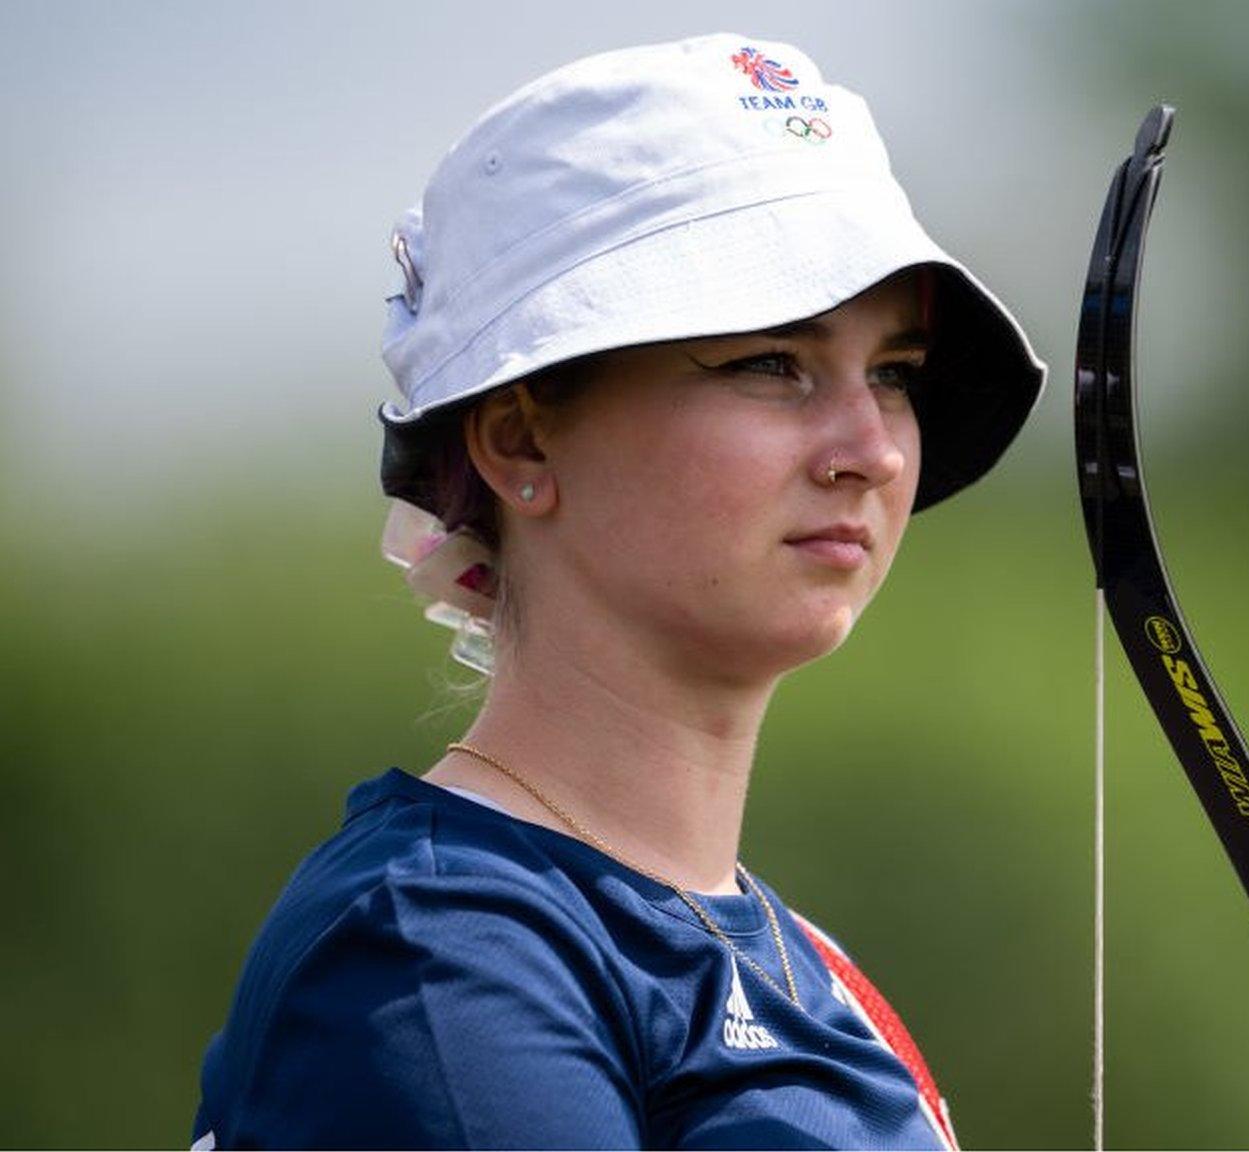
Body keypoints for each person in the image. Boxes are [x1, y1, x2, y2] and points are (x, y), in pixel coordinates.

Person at [191, 34, 1042, 1150]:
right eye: (770, 363)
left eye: (891, 374)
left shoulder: (804, 963)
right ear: (518, 439)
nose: (870, 451)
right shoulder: (439, 952)